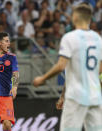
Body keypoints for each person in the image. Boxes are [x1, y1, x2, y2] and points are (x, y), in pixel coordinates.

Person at [33, 3, 102, 131]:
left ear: (75, 17)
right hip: (95, 97)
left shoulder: (70, 37)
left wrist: (43, 78)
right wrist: (64, 94)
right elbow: (99, 70)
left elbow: (61, 66)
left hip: (76, 96)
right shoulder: (98, 39)